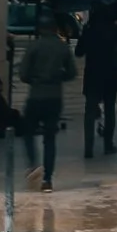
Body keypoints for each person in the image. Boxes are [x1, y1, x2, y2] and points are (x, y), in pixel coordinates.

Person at [19, 13, 77, 191]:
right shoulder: (62, 47)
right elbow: (72, 72)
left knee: (28, 130)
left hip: (36, 95)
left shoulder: (34, 46)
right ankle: (47, 180)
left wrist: (35, 79)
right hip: (54, 96)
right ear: (55, 28)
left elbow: (23, 74)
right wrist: (58, 77)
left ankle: (33, 163)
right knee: (50, 139)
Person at [80, 0, 117, 160]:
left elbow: (78, 51)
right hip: (110, 75)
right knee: (110, 110)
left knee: (90, 112)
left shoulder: (89, 30)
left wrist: (85, 32)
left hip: (92, 75)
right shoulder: (113, 30)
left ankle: (88, 147)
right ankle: (108, 144)